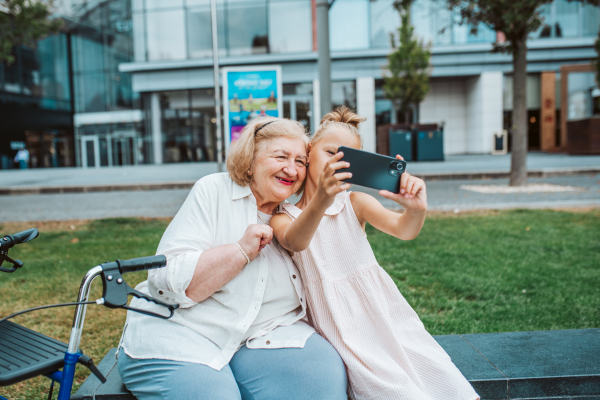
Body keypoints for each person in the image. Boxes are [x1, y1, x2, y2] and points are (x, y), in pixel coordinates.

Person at [116, 116, 347, 400]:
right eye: (281, 156)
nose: (291, 168)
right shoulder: (213, 190)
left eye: (301, 161)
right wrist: (239, 252)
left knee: (321, 378)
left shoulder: (293, 219)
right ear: (250, 159)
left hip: (262, 337)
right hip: (182, 334)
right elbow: (165, 281)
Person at [270, 107, 480, 400]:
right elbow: (297, 241)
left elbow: (403, 230)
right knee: (393, 391)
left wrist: (415, 210)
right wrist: (321, 199)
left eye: (347, 158)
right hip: (339, 325)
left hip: (382, 313)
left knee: (439, 377)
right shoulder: (283, 216)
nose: (336, 162)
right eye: (330, 152)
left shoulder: (355, 202)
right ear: (308, 153)